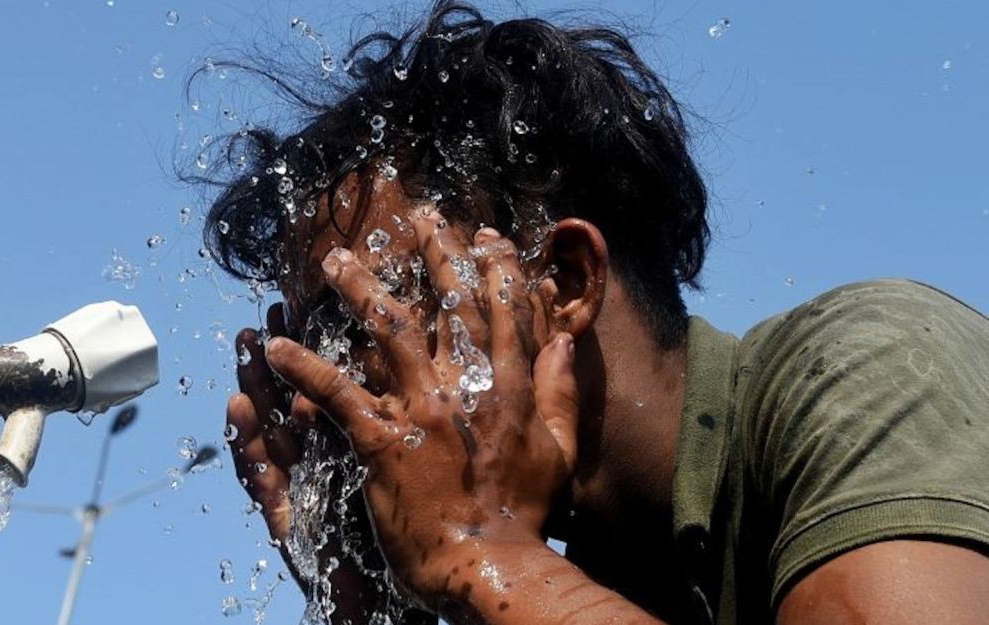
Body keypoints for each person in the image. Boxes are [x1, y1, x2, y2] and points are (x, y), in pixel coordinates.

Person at [200, 2, 989, 623]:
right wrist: (376, 613)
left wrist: (483, 560)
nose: (312, 395)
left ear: (563, 281)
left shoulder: (868, 365)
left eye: (363, 318)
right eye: (311, 342)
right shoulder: (567, 571)